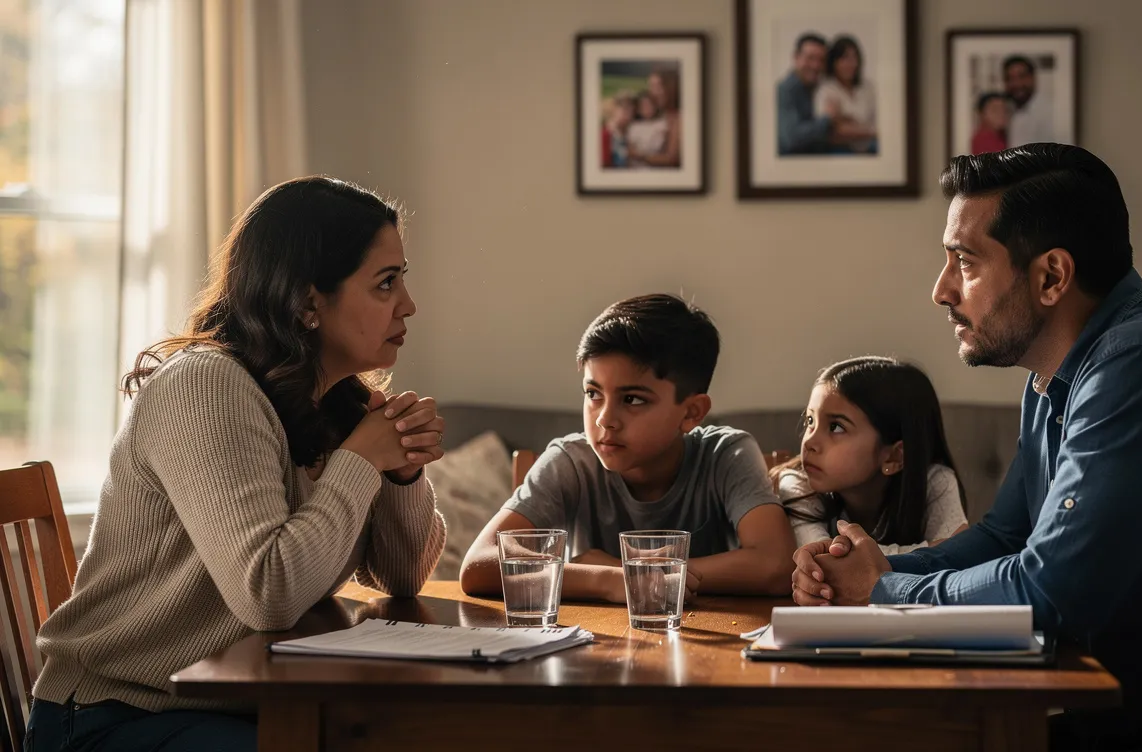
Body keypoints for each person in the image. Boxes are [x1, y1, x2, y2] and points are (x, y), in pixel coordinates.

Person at [789, 144, 1142, 749]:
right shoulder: (1058, 376)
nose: (941, 290)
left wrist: (882, 591)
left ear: (1052, 276)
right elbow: (1008, 536)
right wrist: (870, 568)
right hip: (1140, 720)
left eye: (964, 263)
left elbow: (1052, 592)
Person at [27, 176, 448, 751]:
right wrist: (360, 460)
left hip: (242, 705)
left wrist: (402, 475)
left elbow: (401, 578)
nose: (409, 304)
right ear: (308, 302)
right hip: (113, 714)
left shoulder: (334, 403)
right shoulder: (204, 387)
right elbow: (268, 592)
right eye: (386, 283)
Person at [459, 294, 795, 601]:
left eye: (632, 399)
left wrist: (630, 569)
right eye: (593, 394)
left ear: (691, 412)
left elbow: (777, 565)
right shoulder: (570, 462)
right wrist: (607, 580)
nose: (605, 419)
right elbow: (478, 567)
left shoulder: (727, 454)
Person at [772, 357, 968, 554]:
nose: (809, 443)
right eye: (810, 421)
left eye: (836, 427)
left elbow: (956, 555)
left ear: (894, 457)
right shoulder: (798, 484)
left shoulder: (935, 481)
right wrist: (928, 552)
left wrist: (860, 558)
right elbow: (824, 557)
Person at [813, 35, 877, 154]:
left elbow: (880, 119)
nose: (851, 64)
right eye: (844, 58)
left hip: (871, 147)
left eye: (854, 58)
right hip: (842, 150)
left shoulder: (867, 87)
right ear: (834, 62)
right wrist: (872, 131)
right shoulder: (826, 90)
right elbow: (834, 133)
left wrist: (846, 121)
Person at [629, 68, 681, 168]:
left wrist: (638, 155)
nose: (652, 92)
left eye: (657, 87)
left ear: (670, 87)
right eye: (651, 87)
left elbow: (672, 159)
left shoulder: (679, 118)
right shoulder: (663, 114)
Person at [1002, 55, 1055, 147]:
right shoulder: (1008, 111)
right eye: (1010, 78)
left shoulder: (1049, 113)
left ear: (1033, 78)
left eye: (1022, 76)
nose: (1017, 84)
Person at [601, 92, 634, 168]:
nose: (629, 114)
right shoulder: (605, 134)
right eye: (625, 109)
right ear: (614, 109)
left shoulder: (628, 134)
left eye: (631, 111)